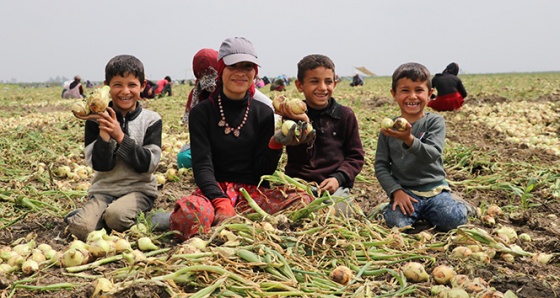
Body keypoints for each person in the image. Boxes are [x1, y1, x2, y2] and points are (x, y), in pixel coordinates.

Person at [167, 37, 314, 241]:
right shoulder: (202, 112)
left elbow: (261, 172)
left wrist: (275, 144)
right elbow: (202, 166)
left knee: (303, 199)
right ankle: (227, 224)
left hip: (251, 194)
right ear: (221, 69)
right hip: (213, 190)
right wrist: (220, 201)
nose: (240, 72)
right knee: (192, 214)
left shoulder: (263, 112)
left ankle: (233, 226)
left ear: (255, 72)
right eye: (233, 66)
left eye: (247, 66)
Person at [64, 54, 163, 241]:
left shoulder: (151, 120)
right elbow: (101, 165)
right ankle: (94, 214)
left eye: (132, 85)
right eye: (118, 84)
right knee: (82, 229)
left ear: (142, 86)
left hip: (138, 190)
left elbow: (148, 164)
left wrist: (120, 136)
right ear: (107, 87)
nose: (125, 91)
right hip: (104, 191)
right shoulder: (95, 120)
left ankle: (143, 217)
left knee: (116, 218)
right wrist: (104, 131)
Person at [374, 62, 476, 233]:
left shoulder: (434, 122)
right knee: (396, 224)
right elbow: (381, 165)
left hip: (434, 190)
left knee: (452, 221)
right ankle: (403, 209)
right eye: (405, 90)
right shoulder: (389, 129)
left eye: (419, 90)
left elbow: (432, 154)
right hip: (406, 193)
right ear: (394, 94)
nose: (412, 96)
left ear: (430, 94)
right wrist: (396, 191)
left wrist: (408, 139)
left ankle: (461, 205)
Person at [279, 54, 365, 216]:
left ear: (335, 83)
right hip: (299, 184)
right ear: (299, 85)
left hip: (334, 185)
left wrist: (338, 178)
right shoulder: (292, 117)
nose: (322, 87)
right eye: (314, 81)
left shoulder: (345, 115)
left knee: (340, 213)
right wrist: (304, 122)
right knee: (295, 213)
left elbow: (356, 156)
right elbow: (300, 156)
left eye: (328, 81)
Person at [178, 48, 279, 169]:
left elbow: (271, 110)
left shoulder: (245, 91)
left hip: (245, 147)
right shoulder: (199, 97)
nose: (211, 85)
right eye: (205, 78)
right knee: (184, 157)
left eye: (212, 76)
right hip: (212, 148)